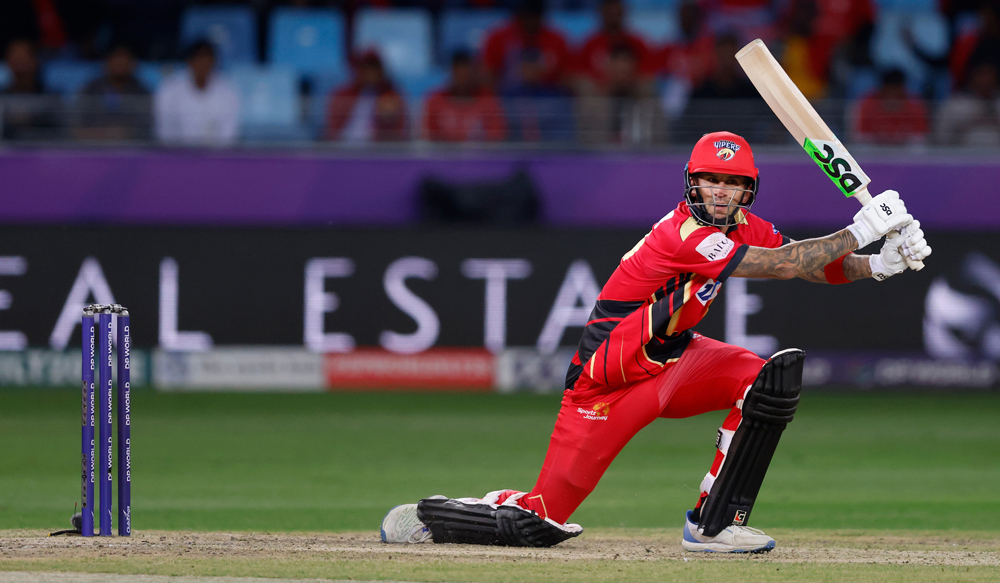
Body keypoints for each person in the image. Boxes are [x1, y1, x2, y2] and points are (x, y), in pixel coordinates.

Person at [379, 131, 932, 552]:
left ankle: (713, 525)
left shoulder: (745, 225)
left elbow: (809, 264)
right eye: (711, 180)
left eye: (732, 182)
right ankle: (437, 515)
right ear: (692, 182)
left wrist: (876, 264)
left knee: (766, 381)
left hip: (676, 359)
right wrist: (861, 230)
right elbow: (784, 264)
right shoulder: (682, 234)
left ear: (748, 189)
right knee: (539, 522)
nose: (721, 190)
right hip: (608, 381)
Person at [154, 40, 240, 146]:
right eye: (199, 59)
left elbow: (229, 133)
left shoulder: (228, 91)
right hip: (177, 152)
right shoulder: (169, 89)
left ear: (214, 62)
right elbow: (164, 130)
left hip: (216, 153)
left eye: (208, 59)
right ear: (189, 61)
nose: (203, 64)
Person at [423, 50, 506, 142]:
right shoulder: (436, 101)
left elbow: (496, 138)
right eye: (458, 72)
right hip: (444, 151)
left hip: (479, 150)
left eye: (466, 73)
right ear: (451, 72)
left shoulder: (487, 101)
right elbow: (428, 138)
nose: (462, 78)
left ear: (473, 73)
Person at [326, 50, 408, 142]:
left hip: (376, 147)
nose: (370, 72)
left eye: (374, 68)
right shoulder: (344, 94)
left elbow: (399, 131)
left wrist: (388, 118)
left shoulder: (391, 96)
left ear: (381, 70)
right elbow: (332, 127)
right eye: (366, 67)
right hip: (344, 145)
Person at [75, 43, 151, 141]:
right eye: (116, 58)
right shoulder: (91, 89)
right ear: (106, 62)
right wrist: (101, 134)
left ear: (134, 64)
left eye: (125, 59)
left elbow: (145, 128)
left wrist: (124, 133)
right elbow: (76, 124)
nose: (120, 63)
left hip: (130, 147)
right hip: (93, 145)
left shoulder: (141, 93)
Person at [851, 69, 929, 145]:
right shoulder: (868, 105)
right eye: (889, 94)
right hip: (875, 150)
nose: (892, 99)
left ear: (902, 91)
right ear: (882, 90)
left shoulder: (915, 105)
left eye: (896, 94)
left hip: (905, 151)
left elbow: (920, 138)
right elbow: (860, 137)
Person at [935, 62, 1000, 146]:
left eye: (990, 75)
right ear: (971, 78)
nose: (985, 80)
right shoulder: (955, 105)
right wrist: (967, 123)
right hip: (962, 152)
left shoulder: (997, 104)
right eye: (981, 74)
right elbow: (940, 138)